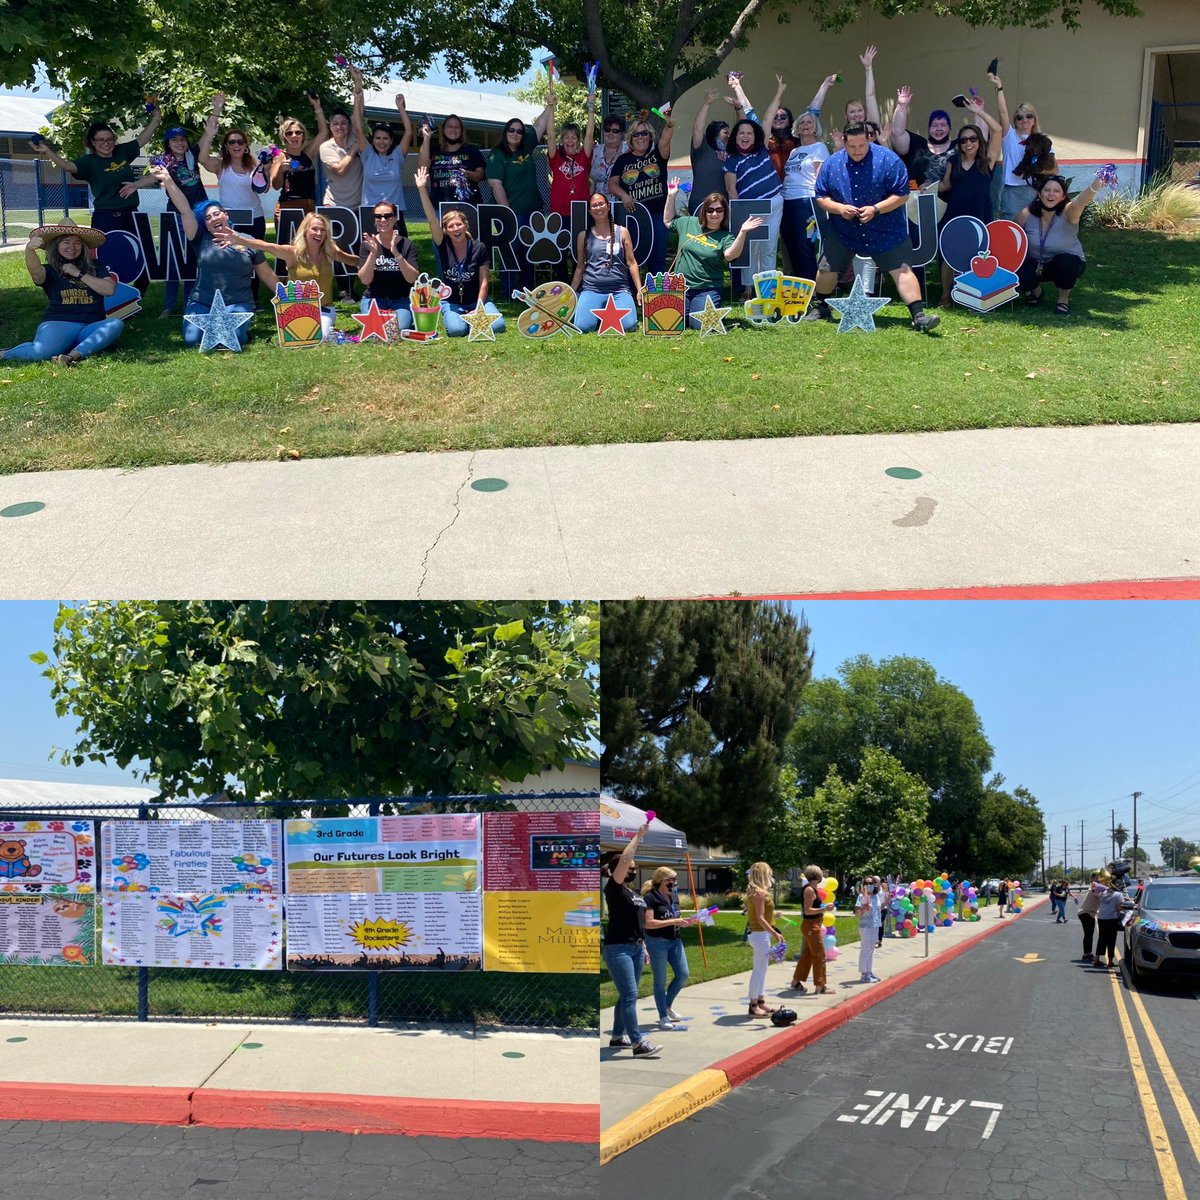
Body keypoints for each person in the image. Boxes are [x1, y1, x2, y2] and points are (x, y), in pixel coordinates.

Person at [809, 125, 940, 332]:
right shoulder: (832, 163)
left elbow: (902, 195)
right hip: (843, 228)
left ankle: (919, 317)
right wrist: (840, 209)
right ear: (844, 142)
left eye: (862, 145)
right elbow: (821, 197)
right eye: (852, 146)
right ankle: (821, 307)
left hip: (885, 227)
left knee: (902, 269)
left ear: (869, 139)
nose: (857, 151)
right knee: (827, 268)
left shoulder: (889, 160)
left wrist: (876, 209)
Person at [151, 167, 277, 348]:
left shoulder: (248, 241)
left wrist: (288, 300)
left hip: (237, 302)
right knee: (192, 340)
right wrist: (167, 179)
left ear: (226, 215)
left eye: (217, 213)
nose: (213, 218)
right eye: (208, 218)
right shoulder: (200, 239)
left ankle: (242, 331)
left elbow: (267, 274)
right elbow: (185, 210)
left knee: (234, 339)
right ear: (206, 225)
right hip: (202, 302)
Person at [0, 220, 123, 365]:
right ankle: (5, 353)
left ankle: (72, 356)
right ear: (56, 245)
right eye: (66, 242)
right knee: (40, 352)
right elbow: (36, 273)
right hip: (59, 323)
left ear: (83, 246)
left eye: (77, 243)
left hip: (91, 325)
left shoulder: (95, 266)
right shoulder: (50, 269)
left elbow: (109, 290)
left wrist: (79, 274)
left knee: (115, 324)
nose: (72, 247)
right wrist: (30, 250)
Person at [31, 108, 163, 240]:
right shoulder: (89, 162)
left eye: (110, 139)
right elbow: (68, 166)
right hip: (106, 216)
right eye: (101, 140)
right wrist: (47, 150)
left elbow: (141, 140)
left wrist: (156, 118)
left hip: (131, 213)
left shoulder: (122, 152)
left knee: (141, 249)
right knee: (107, 251)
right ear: (93, 142)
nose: (106, 143)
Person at [414, 164, 505, 337]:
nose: (456, 229)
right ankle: (463, 319)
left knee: (498, 325)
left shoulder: (478, 247)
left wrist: (479, 308)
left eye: (459, 224)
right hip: (452, 302)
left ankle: (472, 317)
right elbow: (432, 219)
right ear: (446, 230)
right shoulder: (442, 244)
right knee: (457, 330)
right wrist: (421, 189)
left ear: (465, 226)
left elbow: (484, 282)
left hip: (477, 300)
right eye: (451, 226)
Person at [663, 180, 762, 327]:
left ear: (724, 212)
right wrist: (671, 195)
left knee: (699, 325)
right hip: (680, 287)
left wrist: (742, 232)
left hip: (707, 289)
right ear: (704, 211)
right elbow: (668, 221)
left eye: (719, 210)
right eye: (710, 210)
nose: (714, 213)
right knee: (674, 323)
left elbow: (730, 255)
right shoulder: (689, 223)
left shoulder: (725, 236)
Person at [602, 829, 661, 1057]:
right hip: (618, 948)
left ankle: (617, 1037)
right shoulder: (614, 889)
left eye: (635, 868)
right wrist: (638, 836)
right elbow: (626, 858)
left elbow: (638, 921)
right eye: (630, 867)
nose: (633, 870)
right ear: (620, 869)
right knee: (630, 995)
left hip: (636, 947)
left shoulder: (632, 893)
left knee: (624, 994)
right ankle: (638, 1044)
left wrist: (643, 946)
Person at [1016, 171, 1107, 316]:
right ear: (1039, 194)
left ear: (1063, 196)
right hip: (1037, 262)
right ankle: (1036, 292)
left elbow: (1080, 201)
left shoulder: (1069, 212)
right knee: (1019, 269)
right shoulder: (1026, 214)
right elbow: (1013, 237)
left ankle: (1063, 300)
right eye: (1047, 190)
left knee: (1066, 263)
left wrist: (1095, 186)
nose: (1051, 194)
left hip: (1065, 262)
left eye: (1056, 191)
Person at [488, 102, 553, 293]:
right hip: (511, 212)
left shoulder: (526, 146)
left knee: (528, 249)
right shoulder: (497, 154)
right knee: (510, 250)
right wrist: (507, 213)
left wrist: (550, 105)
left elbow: (540, 125)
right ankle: (508, 290)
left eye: (519, 131)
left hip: (531, 210)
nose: (516, 134)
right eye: (511, 130)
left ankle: (527, 288)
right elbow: (495, 184)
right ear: (505, 132)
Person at [937, 121, 1000, 304]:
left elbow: (997, 130)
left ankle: (976, 294)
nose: (968, 143)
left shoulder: (987, 161)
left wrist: (978, 111)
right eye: (963, 140)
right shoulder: (953, 161)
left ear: (979, 141)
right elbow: (946, 185)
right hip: (955, 212)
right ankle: (946, 295)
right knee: (949, 252)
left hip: (979, 212)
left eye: (973, 139)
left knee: (980, 254)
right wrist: (927, 187)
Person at [723, 118, 783, 293]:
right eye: (741, 133)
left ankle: (768, 290)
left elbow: (768, 119)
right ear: (735, 137)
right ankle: (748, 290)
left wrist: (777, 97)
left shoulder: (762, 149)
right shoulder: (731, 160)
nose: (745, 136)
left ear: (755, 136)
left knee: (769, 248)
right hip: (751, 208)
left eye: (749, 133)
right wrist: (737, 215)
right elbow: (731, 190)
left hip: (773, 203)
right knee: (750, 250)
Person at [609, 115, 676, 274]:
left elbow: (665, 140)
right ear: (631, 139)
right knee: (632, 259)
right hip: (633, 217)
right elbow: (612, 185)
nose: (640, 137)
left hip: (658, 215)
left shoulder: (657, 155)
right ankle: (633, 289)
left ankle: (656, 289)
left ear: (650, 136)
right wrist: (624, 195)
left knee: (658, 259)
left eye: (644, 133)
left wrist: (669, 126)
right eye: (636, 134)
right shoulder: (623, 160)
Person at [571, 191, 642, 333]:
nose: (598, 208)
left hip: (619, 289)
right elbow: (580, 267)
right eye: (594, 206)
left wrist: (639, 290)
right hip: (592, 289)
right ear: (590, 211)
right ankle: (594, 311)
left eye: (601, 204)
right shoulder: (583, 236)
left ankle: (604, 313)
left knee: (629, 326)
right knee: (583, 327)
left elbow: (632, 263)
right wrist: (570, 293)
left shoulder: (622, 232)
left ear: (608, 206)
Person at [642, 867, 695, 1030]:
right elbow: (648, 923)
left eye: (674, 879)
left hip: (675, 940)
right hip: (657, 942)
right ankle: (662, 1016)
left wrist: (685, 922)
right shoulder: (650, 898)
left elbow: (675, 917)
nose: (673, 882)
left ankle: (666, 1006)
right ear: (661, 880)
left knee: (683, 974)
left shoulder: (674, 896)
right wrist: (673, 921)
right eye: (670, 879)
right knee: (660, 980)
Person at [780, 111, 830, 281]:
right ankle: (799, 284)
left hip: (806, 200)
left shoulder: (819, 148)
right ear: (797, 128)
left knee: (804, 245)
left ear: (816, 128)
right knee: (791, 244)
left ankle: (811, 286)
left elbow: (820, 177)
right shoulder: (794, 151)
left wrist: (820, 201)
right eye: (802, 122)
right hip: (787, 200)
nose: (805, 125)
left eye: (809, 122)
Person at [354, 83, 414, 225]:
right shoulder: (367, 154)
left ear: (391, 140)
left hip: (394, 212)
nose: (381, 142)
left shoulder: (397, 156)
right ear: (373, 140)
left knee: (398, 241)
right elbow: (358, 129)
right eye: (378, 138)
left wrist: (401, 108)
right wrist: (357, 99)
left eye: (385, 138)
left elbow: (409, 133)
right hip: (370, 212)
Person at [357, 202, 421, 329]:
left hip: (401, 299)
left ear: (395, 218)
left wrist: (396, 253)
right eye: (378, 216)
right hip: (374, 298)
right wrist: (373, 254)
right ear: (374, 220)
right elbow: (365, 280)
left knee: (398, 328)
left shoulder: (407, 244)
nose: (383, 220)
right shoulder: (367, 245)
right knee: (376, 328)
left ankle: (405, 317)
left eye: (388, 216)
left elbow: (412, 278)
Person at [990, 73, 1043, 219]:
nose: (1024, 120)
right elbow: (1003, 112)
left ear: (1034, 120)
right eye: (1019, 117)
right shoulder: (1010, 136)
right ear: (1015, 121)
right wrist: (999, 88)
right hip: (1011, 192)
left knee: (1033, 228)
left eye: (1029, 116)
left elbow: (1051, 167)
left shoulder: (1041, 140)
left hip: (1033, 189)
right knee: (1011, 229)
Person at [271, 97, 330, 224]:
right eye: (289, 133)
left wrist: (317, 107)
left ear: (303, 135)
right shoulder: (280, 156)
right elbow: (275, 186)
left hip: (309, 206)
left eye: (298, 132)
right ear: (284, 137)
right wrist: (281, 170)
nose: (294, 136)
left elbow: (323, 132)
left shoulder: (307, 154)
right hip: (288, 206)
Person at [891, 87, 957, 191]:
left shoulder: (958, 146)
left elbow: (980, 139)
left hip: (951, 200)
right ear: (928, 129)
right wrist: (901, 106)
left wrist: (978, 112)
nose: (939, 129)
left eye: (943, 125)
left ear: (950, 129)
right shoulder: (918, 145)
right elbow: (897, 133)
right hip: (917, 200)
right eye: (934, 125)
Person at [418, 113, 487, 208]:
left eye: (457, 127)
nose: (453, 129)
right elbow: (423, 166)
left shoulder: (471, 150)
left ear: (461, 130)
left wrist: (466, 173)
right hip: (439, 205)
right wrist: (426, 138)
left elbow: (481, 175)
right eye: (449, 126)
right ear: (443, 129)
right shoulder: (435, 151)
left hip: (468, 205)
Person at [318, 70, 364, 211]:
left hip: (358, 205)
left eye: (343, 123)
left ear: (349, 125)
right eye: (336, 124)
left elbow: (359, 110)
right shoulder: (326, 147)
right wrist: (353, 151)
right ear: (330, 126)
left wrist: (358, 82)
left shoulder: (354, 136)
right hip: (334, 204)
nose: (340, 127)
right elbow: (340, 170)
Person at [745, 862, 785, 1017]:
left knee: (762, 969)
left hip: (759, 934)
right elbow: (760, 919)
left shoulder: (755, 892)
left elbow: (757, 913)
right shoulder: (759, 893)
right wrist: (775, 933)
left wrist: (773, 915)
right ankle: (753, 1005)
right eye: (768, 873)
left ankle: (760, 1001)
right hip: (760, 934)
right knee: (759, 970)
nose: (770, 876)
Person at [789, 864, 833, 995]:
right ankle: (820, 985)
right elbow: (807, 911)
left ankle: (796, 981)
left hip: (813, 925)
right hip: (811, 925)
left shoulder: (812, 889)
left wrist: (823, 908)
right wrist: (824, 909)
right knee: (819, 955)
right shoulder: (809, 890)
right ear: (817, 876)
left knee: (807, 955)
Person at [690, 88, 731, 201]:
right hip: (701, 203)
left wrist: (738, 108)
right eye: (725, 133)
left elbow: (743, 128)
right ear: (715, 133)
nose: (728, 136)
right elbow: (697, 129)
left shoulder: (730, 151)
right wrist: (706, 104)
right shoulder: (702, 148)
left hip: (722, 205)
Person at [591, 113, 628, 203]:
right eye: (607, 130)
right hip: (597, 204)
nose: (610, 133)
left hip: (622, 204)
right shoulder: (594, 151)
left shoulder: (628, 151)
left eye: (615, 131)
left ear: (621, 134)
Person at [855, 877, 882, 983]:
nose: (869, 885)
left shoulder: (876, 896)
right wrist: (862, 909)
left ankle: (869, 972)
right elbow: (857, 912)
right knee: (865, 950)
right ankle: (864, 974)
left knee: (871, 950)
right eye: (866, 883)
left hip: (875, 925)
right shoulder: (861, 896)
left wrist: (888, 899)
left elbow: (879, 909)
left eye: (871, 883)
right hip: (866, 926)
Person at [1094, 877, 1124, 970]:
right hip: (1111, 919)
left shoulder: (1103, 893)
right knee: (1111, 940)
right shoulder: (1119, 894)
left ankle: (1097, 958)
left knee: (1102, 938)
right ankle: (1110, 961)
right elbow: (1119, 908)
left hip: (1101, 918)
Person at [1075, 873, 1103, 962]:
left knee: (1088, 935)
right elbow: (1103, 897)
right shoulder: (1095, 891)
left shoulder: (1093, 890)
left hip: (1085, 913)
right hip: (1087, 913)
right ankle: (1087, 954)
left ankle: (1087, 953)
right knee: (1088, 935)